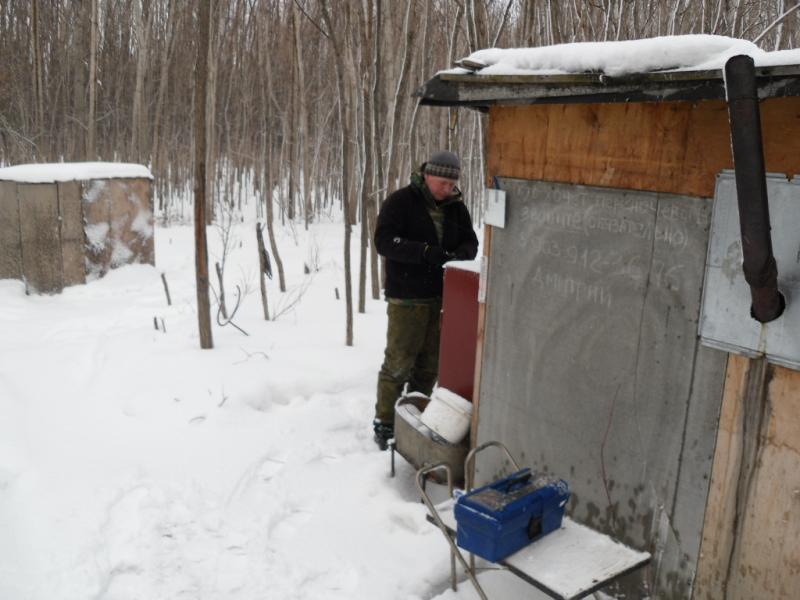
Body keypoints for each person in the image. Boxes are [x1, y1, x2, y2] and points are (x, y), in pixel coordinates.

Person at [372, 150, 479, 450]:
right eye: (443, 182)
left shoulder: (457, 208)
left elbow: (471, 241)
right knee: (398, 361)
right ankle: (385, 423)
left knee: (430, 365)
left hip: (443, 297)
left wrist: (461, 255)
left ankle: (413, 416)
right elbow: (384, 241)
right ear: (428, 175)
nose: (448, 189)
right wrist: (424, 253)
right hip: (407, 297)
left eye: (452, 183)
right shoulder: (401, 201)